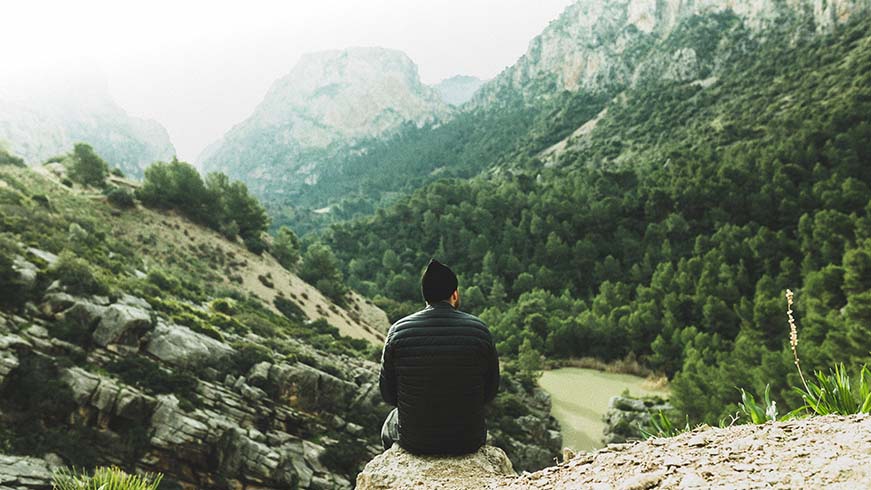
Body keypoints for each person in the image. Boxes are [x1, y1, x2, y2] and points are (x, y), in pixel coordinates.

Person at [378, 259, 500, 455]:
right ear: (454, 294)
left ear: (425, 297)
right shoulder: (479, 329)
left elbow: (388, 394)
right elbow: (491, 390)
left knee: (390, 422)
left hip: (416, 441)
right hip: (468, 440)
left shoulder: (398, 330)